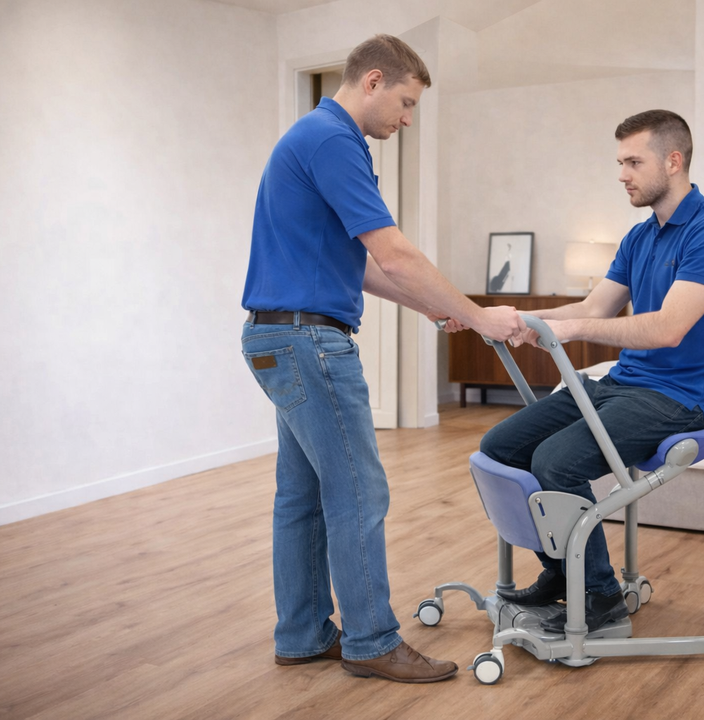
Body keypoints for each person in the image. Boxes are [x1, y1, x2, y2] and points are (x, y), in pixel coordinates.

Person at [240, 34, 524, 683]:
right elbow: (394, 253)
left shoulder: (311, 137)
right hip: (310, 342)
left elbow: (361, 265)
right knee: (359, 491)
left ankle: (304, 634)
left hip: (274, 338)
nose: (406, 118)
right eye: (405, 102)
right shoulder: (336, 139)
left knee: (303, 495)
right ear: (372, 81)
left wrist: (432, 307)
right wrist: (480, 319)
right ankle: (370, 641)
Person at [479, 109, 704, 634]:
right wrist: (515, 320)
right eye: (619, 162)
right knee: (501, 445)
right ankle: (563, 573)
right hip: (626, 384)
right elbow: (597, 306)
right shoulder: (640, 236)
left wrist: (573, 329)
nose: (621, 174)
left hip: (684, 396)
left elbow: (669, 328)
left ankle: (600, 598)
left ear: (673, 161)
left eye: (632, 161)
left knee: (555, 461)